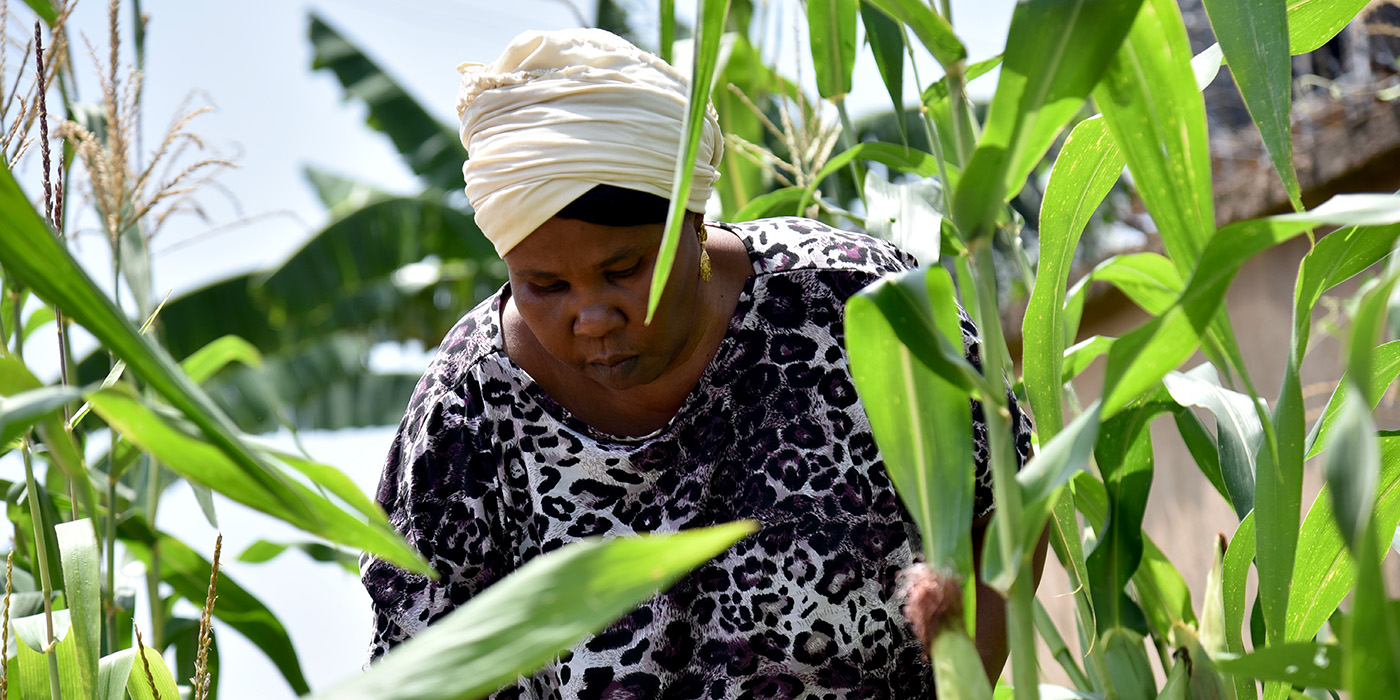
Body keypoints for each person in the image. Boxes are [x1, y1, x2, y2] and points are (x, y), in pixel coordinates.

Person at [361, 28, 1034, 699]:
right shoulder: (467, 415)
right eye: (547, 286)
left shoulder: (848, 305)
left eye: (623, 270)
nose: (592, 317)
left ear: (693, 221)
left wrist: (962, 680)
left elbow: (1007, 499)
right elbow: (423, 665)